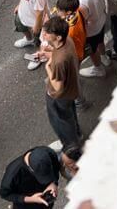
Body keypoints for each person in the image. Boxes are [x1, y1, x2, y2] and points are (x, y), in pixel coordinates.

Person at [41, 17, 84, 146]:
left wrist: (48, 68)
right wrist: (49, 55)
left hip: (60, 96)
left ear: (58, 37)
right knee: (70, 115)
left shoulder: (59, 61)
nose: (44, 34)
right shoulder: (67, 41)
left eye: (48, 33)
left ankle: (70, 145)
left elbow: (58, 87)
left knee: (60, 121)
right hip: (71, 90)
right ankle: (77, 134)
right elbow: (58, 52)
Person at [0, 144, 79, 208]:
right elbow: (5, 194)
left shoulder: (48, 153)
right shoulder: (12, 175)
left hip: (46, 201)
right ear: (31, 169)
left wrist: (53, 183)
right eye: (43, 177)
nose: (46, 182)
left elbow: (55, 169)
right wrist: (31, 199)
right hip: (26, 205)